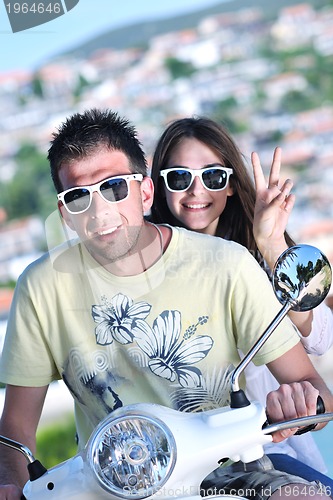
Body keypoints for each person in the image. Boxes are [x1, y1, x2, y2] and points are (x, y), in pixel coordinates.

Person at [0, 108, 332, 500]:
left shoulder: (228, 263)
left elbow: (316, 391)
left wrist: (297, 402)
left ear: (144, 192)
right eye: (77, 197)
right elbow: (16, 431)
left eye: (114, 187)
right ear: (65, 215)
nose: (99, 210)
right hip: (109, 488)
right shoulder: (40, 288)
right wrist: (10, 482)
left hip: (231, 472)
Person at [149, 115, 333, 485]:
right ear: (160, 187)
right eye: (180, 178)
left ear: (231, 185)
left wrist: (271, 244)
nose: (196, 191)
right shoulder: (142, 266)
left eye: (213, 177)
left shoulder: (257, 254)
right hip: (169, 461)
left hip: (263, 449)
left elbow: (320, 337)